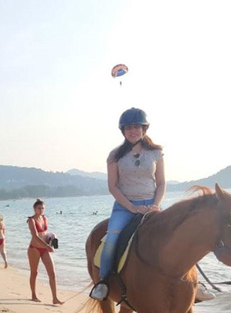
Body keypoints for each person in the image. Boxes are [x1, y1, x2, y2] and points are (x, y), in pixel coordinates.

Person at [89, 107, 214, 301]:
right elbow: (113, 187)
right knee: (112, 240)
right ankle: (104, 282)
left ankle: (193, 285)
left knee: (180, 237)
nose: (133, 131)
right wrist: (132, 207)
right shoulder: (115, 156)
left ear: (144, 129)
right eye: (129, 127)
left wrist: (155, 204)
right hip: (125, 207)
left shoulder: (156, 153)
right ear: (123, 130)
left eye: (137, 127)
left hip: (152, 204)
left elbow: (162, 183)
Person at [27, 199, 63, 304]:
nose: (41, 210)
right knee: (34, 272)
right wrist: (47, 246)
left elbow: (45, 233)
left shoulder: (44, 218)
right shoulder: (31, 220)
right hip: (34, 248)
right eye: (39, 208)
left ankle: (55, 298)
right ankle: (33, 295)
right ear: (34, 209)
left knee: (52, 273)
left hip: (45, 248)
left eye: (43, 208)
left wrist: (52, 237)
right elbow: (35, 236)